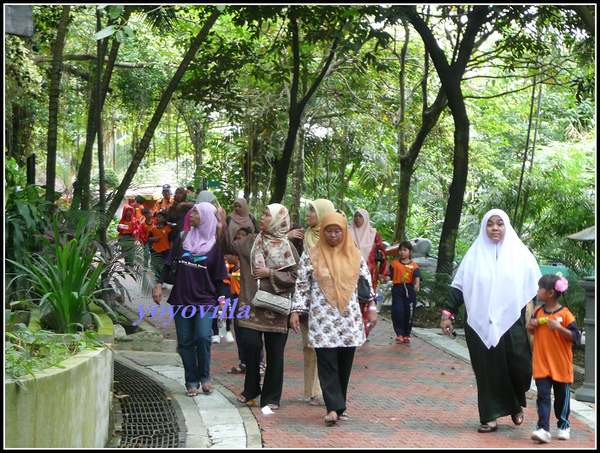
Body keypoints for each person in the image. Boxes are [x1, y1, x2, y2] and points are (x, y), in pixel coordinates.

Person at [440, 208, 541, 433]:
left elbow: (536, 290)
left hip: (514, 322)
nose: (495, 228)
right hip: (479, 322)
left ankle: (515, 403)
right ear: (484, 227)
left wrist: (542, 317)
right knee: (487, 369)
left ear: (506, 227)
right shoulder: (474, 256)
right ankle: (489, 416)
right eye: (490, 224)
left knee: (519, 365)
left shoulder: (522, 255)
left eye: (499, 223)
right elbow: (460, 288)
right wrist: (447, 313)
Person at [291, 212, 377, 426]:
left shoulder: (354, 254)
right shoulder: (311, 255)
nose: (332, 235)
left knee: (344, 363)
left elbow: (366, 282)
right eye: (328, 230)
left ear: (344, 232)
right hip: (322, 319)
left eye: (337, 230)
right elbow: (302, 285)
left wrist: (373, 308)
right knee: (327, 361)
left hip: (348, 319)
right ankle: (333, 408)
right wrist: (296, 311)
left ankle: (340, 405)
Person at [215, 203, 299, 411]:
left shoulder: (289, 247)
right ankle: (252, 387)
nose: (262, 218)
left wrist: (269, 274)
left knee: (275, 354)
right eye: (262, 214)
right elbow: (226, 247)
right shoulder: (251, 242)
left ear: (279, 220)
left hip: (278, 308)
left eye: (267, 215)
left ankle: (271, 397)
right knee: (250, 346)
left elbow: (295, 276)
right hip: (251, 303)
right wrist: (220, 223)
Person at [153, 202, 228, 398]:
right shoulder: (183, 238)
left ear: (206, 216)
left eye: (195, 211)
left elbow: (221, 279)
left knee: (203, 337)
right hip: (181, 300)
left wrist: (223, 304)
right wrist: (159, 284)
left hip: (205, 301)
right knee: (185, 342)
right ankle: (191, 381)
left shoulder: (215, 246)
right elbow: (169, 263)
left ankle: (205, 377)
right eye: (192, 210)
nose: (191, 214)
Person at [526, 274, 580, 444]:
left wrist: (559, 328)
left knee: (561, 398)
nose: (537, 291)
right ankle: (543, 429)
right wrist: (529, 325)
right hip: (542, 363)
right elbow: (532, 330)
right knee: (542, 396)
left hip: (561, 365)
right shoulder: (537, 311)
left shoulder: (565, 314)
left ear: (550, 293)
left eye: (539, 288)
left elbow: (575, 337)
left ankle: (563, 425)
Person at [298, 199, 336, 407]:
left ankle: (326, 389)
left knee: (326, 346)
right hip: (307, 301)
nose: (309, 213)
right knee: (308, 346)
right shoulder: (303, 237)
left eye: (313, 210)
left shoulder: (333, 238)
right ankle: (311, 391)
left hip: (328, 302)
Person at [349, 208, 389, 336]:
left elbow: (382, 252)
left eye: (360, 216)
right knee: (352, 299)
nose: (357, 219)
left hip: (369, 273)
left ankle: (364, 330)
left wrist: (384, 273)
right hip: (350, 272)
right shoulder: (348, 233)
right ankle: (352, 329)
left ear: (366, 218)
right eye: (356, 216)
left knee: (366, 297)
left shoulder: (373, 233)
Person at [389, 240, 422, 344]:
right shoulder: (394, 264)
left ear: (410, 252)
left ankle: (407, 334)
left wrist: (417, 284)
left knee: (409, 312)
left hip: (409, 290)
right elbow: (389, 275)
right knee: (397, 311)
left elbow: (417, 276)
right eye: (400, 250)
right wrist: (383, 278)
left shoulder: (414, 265)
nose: (402, 252)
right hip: (397, 289)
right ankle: (399, 333)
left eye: (405, 250)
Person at [148, 211, 176, 280]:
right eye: (156, 216)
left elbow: (171, 241)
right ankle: (156, 279)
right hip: (155, 251)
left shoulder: (168, 230)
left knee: (163, 266)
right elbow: (148, 238)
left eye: (159, 217)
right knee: (155, 266)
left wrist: (171, 251)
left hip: (165, 251)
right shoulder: (153, 229)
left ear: (164, 219)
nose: (157, 218)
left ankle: (162, 280)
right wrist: (154, 238)